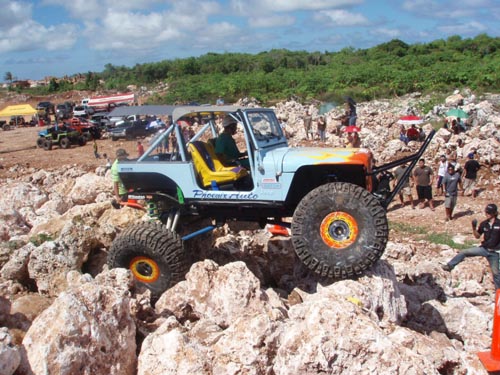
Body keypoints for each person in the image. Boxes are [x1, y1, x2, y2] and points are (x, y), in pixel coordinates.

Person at [442, 204, 500, 290]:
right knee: (464, 252)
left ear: (494, 213)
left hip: (495, 252)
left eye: (489, 213)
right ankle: (450, 265)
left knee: (496, 273)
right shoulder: (484, 224)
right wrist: (474, 228)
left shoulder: (499, 224)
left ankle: (498, 293)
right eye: (486, 212)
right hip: (484, 249)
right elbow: (477, 236)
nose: (487, 214)